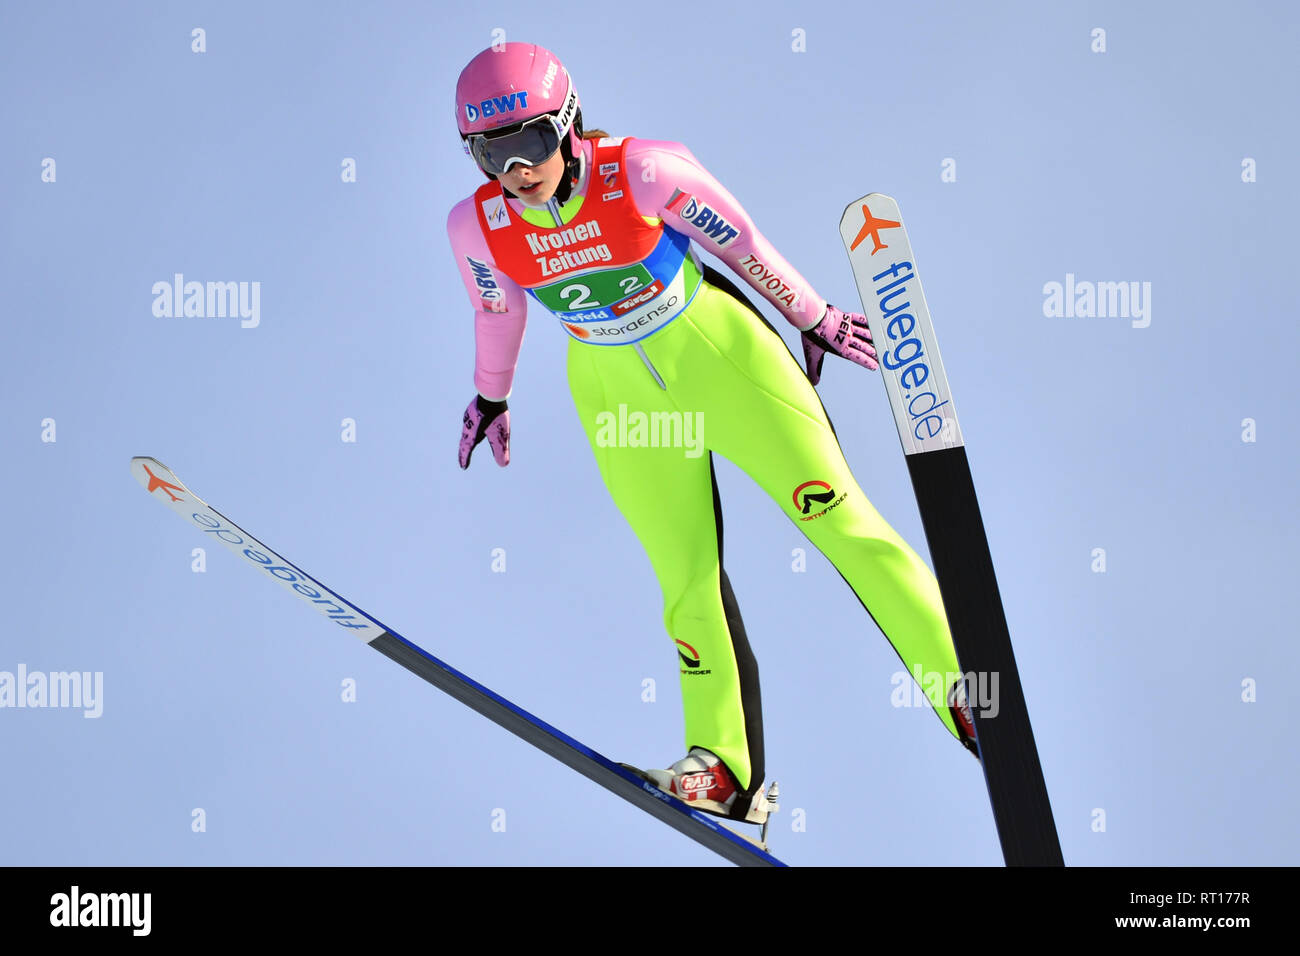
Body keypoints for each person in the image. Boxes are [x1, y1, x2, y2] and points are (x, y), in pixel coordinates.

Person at [447, 42, 977, 823]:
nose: (515, 170)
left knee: (837, 520)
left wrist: (814, 316)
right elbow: (498, 310)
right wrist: (490, 398)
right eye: (491, 153)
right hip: (611, 391)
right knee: (685, 581)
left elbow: (743, 244)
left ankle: (962, 685)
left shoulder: (646, 170)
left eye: (528, 142)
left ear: (566, 124)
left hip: (721, 359)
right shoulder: (477, 226)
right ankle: (723, 769)